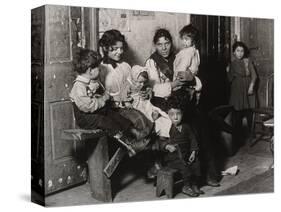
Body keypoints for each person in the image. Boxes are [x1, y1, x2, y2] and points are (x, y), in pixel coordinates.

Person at [146, 28, 220, 187]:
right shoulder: (152, 62)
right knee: (188, 125)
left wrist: (193, 79)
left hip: (184, 100)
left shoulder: (183, 54)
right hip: (164, 102)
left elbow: (199, 81)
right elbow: (153, 90)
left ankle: (209, 173)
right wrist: (172, 85)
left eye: (167, 43)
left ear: (172, 42)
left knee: (203, 124)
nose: (164, 47)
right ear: (155, 46)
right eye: (160, 45)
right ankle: (191, 176)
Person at [69, 49, 146, 155]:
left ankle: (134, 132)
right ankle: (129, 144)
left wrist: (103, 95)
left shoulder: (90, 82)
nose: (100, 70)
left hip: (93, 113)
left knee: (113, 114)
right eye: (98, 68)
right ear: (90, 70)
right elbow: (88, 107)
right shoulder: (79, 86)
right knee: (106, 121)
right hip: (85, 118)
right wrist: (103, 98)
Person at [98, 29, 153, 152]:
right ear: (106, 48)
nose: (119, 52)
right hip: (112, 109)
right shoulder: (100, 69)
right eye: (115, 48)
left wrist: (146, 91)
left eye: (121, 48)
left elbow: (135, 85)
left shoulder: (126, 66)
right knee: (137, 121)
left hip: (130, 104)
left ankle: (146, 159)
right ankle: (136, 157)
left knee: (149, 119)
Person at [159, 96, 203, 197]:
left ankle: (194, 184)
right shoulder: (166, 127)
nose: (175, 117)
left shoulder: (186, 126)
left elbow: (192, 139)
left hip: (186, 153)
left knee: (196, 164)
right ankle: (186, 186)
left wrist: (193, 151)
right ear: (168, 115)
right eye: (172, 114)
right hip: (173, 158)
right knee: (185, 168)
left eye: (178, 114)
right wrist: (167, 146)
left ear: (182, 113)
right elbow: (160, 142)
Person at [125, 65, 172, 138]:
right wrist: (126, 102)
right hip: (136, 106)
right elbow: (123, 97)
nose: (142, 84)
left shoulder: (143, 86)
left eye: (144, 82)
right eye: (140, 82)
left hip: (145, 103)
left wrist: (148, 92)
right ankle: (153, 123)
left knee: (158, 112)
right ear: (133, 79)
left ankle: (162, 125)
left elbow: (148, 89)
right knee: (145, 116)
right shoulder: (128, 86)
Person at [226, 41, 257, 146]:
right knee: (237, 113)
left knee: (249, 112)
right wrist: (227, 71)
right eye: (237, 51)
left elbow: (254, 76)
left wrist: (251, 86)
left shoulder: (248, 61)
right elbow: (229, 79)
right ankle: (238, 137)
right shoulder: (232, 64)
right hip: (237, 90)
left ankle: (251, 134)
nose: (240, 53)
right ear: (234, 52)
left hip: (248, 88)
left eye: (242, 51)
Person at [173, 24, 202, 105]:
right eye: (182, 39)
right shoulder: (195, 51)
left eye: (186, 39)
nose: (184, 42)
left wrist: (177, 76)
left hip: (185, 79)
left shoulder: (188, 52)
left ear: (193, 40)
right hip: (192, 78)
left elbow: (182, 66)